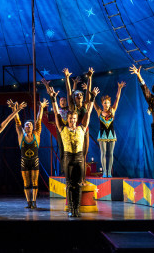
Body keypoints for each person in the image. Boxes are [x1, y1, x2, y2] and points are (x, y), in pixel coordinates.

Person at [48, 86, 99, 217]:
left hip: (79, 158)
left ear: (77, 119)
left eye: (74, 119)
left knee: (78, 185)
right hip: (68, 158)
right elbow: (56, 114)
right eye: (71, 119)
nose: (72, 121)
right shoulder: (63, 128)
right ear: (68, 119)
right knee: (70, 184)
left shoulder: (82, 128)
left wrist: (92, 99)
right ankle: (71, 208)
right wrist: (53, 99)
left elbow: (88, 113)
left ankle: (77, 208)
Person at [10, 98, 48, 209]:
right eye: (26, 125)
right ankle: (28, 202)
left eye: (30, 125)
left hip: (34, 161)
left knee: (35, 181)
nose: (28, 126)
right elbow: (17, 122)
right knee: (26, 182)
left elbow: (39, 120)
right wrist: (14, 109)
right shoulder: (21, 135)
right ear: (24, 127)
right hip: (24, 161)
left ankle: (34, 201)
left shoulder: (37, 134)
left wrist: (41, 108)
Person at [92, 82, 125, 177]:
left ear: (110, 103)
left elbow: (117, 99)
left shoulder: (113, 110)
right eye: (104, 103)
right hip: (102, 134)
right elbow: (93, 102)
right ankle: (104, 172)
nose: (106, 104)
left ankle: (109, 172)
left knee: (110, 153)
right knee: (103, 152)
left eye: (108, 103)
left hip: (111, 134)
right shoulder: (99, 111)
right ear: (102, 103)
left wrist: (119, 89)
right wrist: (92, 94)